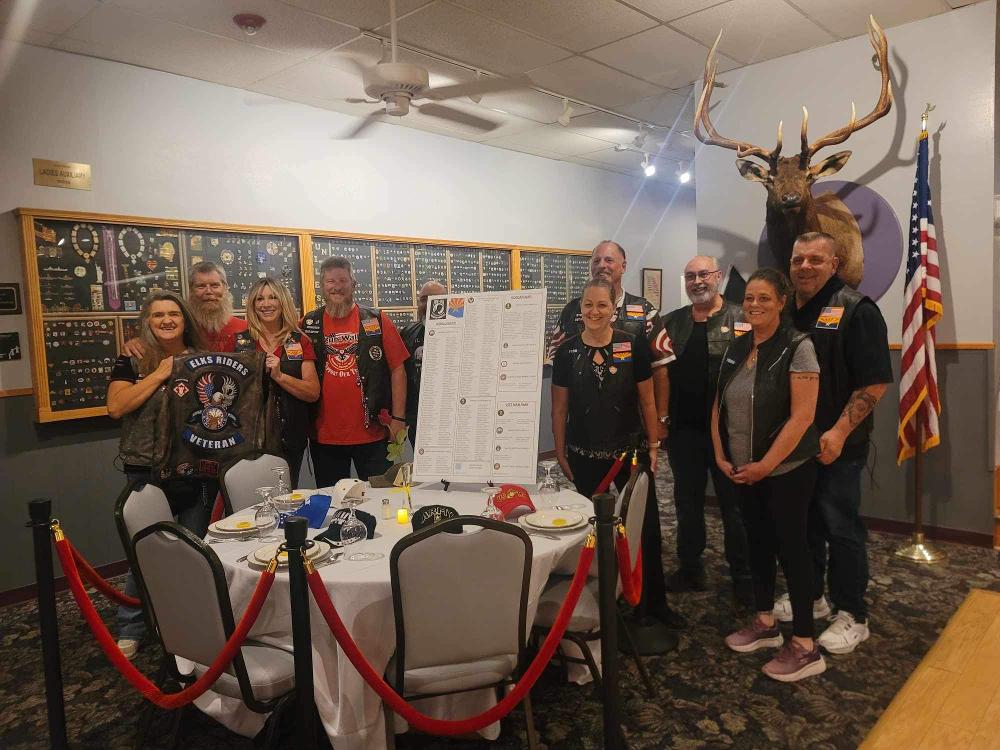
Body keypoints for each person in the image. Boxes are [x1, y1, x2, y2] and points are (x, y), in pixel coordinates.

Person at [551, 243, 680, 629]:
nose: (603, 265)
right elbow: (561, 385)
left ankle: (651, 604)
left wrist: (657, 432)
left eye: (609, 260)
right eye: (596, 260)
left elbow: (657, 374)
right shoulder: (571, 313)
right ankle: (595, 606)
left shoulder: (643, 313)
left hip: (631, 446)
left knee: (643, 527)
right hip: (585, 447)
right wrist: (560, 451)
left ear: (623, 266)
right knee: (588, 531)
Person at [778, 231, 892, 655]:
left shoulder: (857, 310)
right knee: (804, 524)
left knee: (840, 527)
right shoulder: (786, 308)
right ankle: (812, 596)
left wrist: (840, 431)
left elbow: (875, 381)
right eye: (798, 259)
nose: (805, 266)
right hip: (794, 444)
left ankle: (852, 613)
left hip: (837, 445)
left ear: (835, 265)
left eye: (815, 260)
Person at [712, 268, 825, 682]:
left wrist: (767, 465)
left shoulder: (799, 347)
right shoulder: (736, 347)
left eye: (764, 298)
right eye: (750, 299)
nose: (755, 305)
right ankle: (765, 623)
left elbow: (803, 417)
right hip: (744, 470)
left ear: (781, 301)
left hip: (787, 471)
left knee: (793, 549)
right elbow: (717, 406)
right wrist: (722, 456)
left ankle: (807, 645)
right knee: (756, 543)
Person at [106, 291, 209, 659]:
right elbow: (117, 406)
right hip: (144, 466)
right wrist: (159, 374)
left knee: (192, 550)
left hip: (193, 468)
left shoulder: (201, 360)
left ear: (185, 321)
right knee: (142, 549)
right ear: (147, 322)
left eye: (173, 315)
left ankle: (187, 619)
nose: (166, 320)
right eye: (158, 315)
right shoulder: (132, 359)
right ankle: (132, 625)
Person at [662, 255, 751, 602]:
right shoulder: (671, 322)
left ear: (716, 277)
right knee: (687, 501)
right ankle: (690, 567)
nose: (697, 281)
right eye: (690, 276)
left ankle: (743, 575)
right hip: (685, 431)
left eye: (703, 274)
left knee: (735, 505)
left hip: (730, 432)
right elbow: (661, 375)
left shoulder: (742, 317)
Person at [301, 257, 409, 488]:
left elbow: (398, 370)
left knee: (381, 498)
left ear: (354, 284)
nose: (337, 286)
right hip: (324, 436)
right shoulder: (309, 323)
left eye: (343, 280)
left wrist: (398, 419)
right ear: (322, 285)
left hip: (373, 433)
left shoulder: (377, 320)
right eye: (330, 281)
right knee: (333, 502)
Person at [552, 278, 660, 495]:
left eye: (602, 304)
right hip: (582, 452)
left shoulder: (632, 345)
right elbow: (559, 408)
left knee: (639, 520)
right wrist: (560, 452)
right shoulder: (565, 351)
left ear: (613, 309)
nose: (594, 311)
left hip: (630, 452)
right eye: (588, 304)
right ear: (581, 307)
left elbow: (648, 401)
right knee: (589, 520)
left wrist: (654, 446)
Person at [236, 277, 320, 485]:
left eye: (273, 297)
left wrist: (280, 376)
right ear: (252, 305)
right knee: (250, 498)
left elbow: (312, 392)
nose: (266, 304)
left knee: (285, 497)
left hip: (289, 438)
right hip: (249, 438)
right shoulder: (238, 342)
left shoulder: (300, 341)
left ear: (283, 302)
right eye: (259, 299)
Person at [121, 261, 247, 357]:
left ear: (225, 288)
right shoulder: (181, 328)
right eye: (201, 286)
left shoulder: (245, 328)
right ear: (191, 290)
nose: (208, 292)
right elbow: (156, 341)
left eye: (215, 285)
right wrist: (137, 343)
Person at [400, 279, 447, 447]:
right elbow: (400, 375)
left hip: (452, 414)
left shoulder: (467, 331)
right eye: (423, 299)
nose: (427, 304)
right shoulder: (407, 333)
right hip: (418, 416)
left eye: (434, 299)